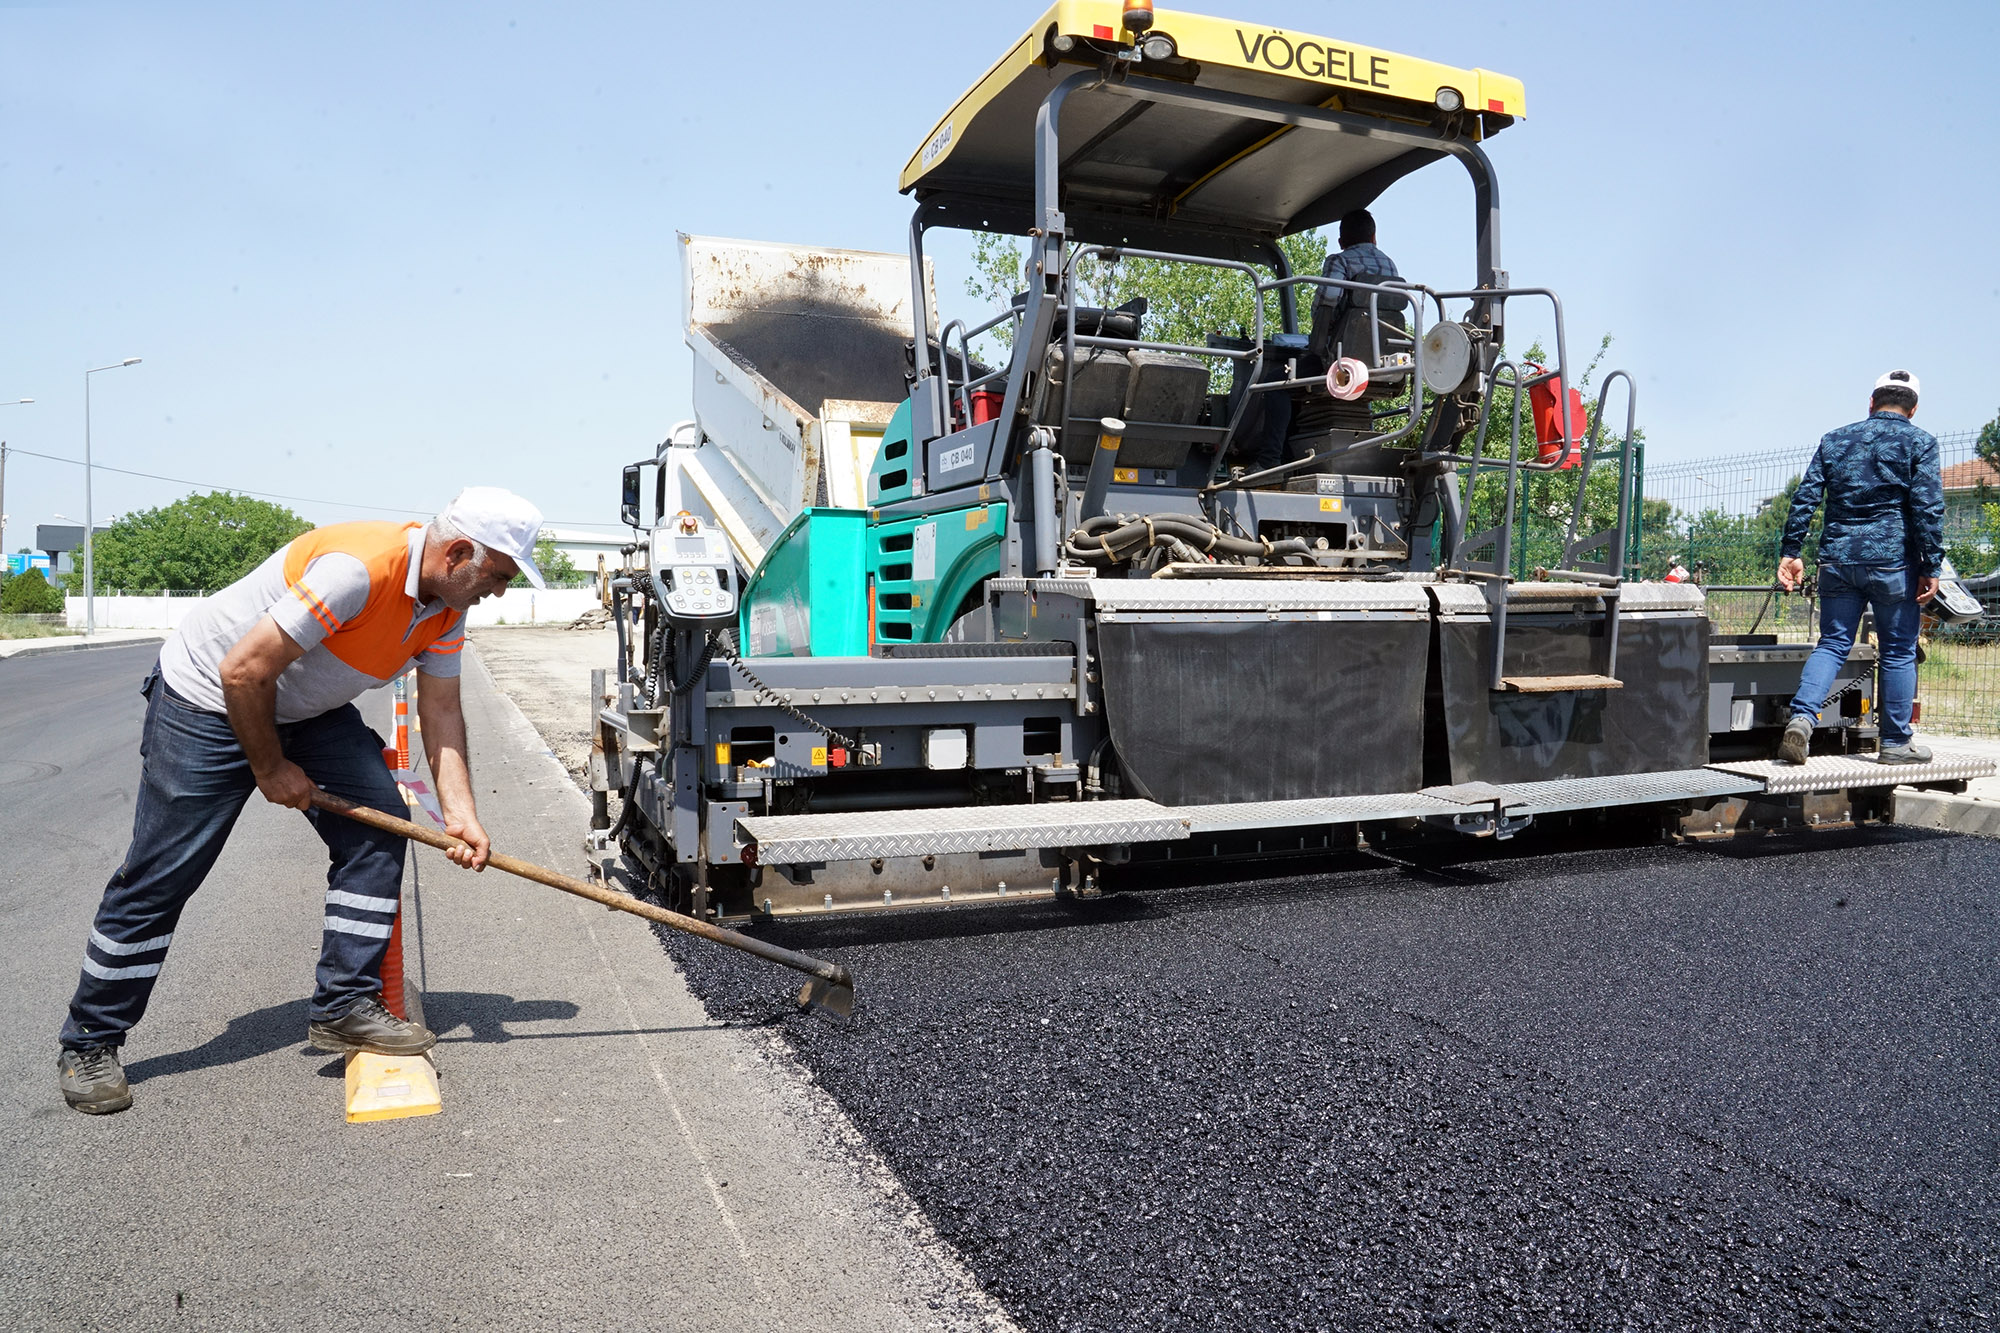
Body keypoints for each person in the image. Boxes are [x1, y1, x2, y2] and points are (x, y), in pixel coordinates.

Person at [55, 487, 546, 1114]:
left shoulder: (447, 607)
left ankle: (344, 1004)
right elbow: (243, 670)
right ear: (456, 554)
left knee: (380, 827)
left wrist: (462, 815)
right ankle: (90, 1040)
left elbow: (442, 708)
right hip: (206, 701)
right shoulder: (357, 570)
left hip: (303, 710)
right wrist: (269, 766)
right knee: (161, 876)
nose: (498, 590)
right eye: (498, 575)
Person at [1774, 371, 1942, 766]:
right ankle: (1896, 744)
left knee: (1832, 644)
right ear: (1913, 409)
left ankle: (1801, 719)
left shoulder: (1835, 439)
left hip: (1838, 559)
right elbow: (1928, 508)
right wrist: (1931, 564)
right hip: (1894, 562)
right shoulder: (1920, 442)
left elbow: (1805, 496)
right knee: (1899, 651)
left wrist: (1791, 550)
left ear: (1871, 402)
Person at [1247, 209, 1404, 473]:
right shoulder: (1390, 266)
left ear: (1341, 242)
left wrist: (1317, 345)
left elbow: (1327, 301)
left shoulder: (1338, 261)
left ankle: (1271, 461)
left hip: (1340, 362)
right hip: (1380, 364)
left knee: (1275, 384)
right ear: (1374, 237)